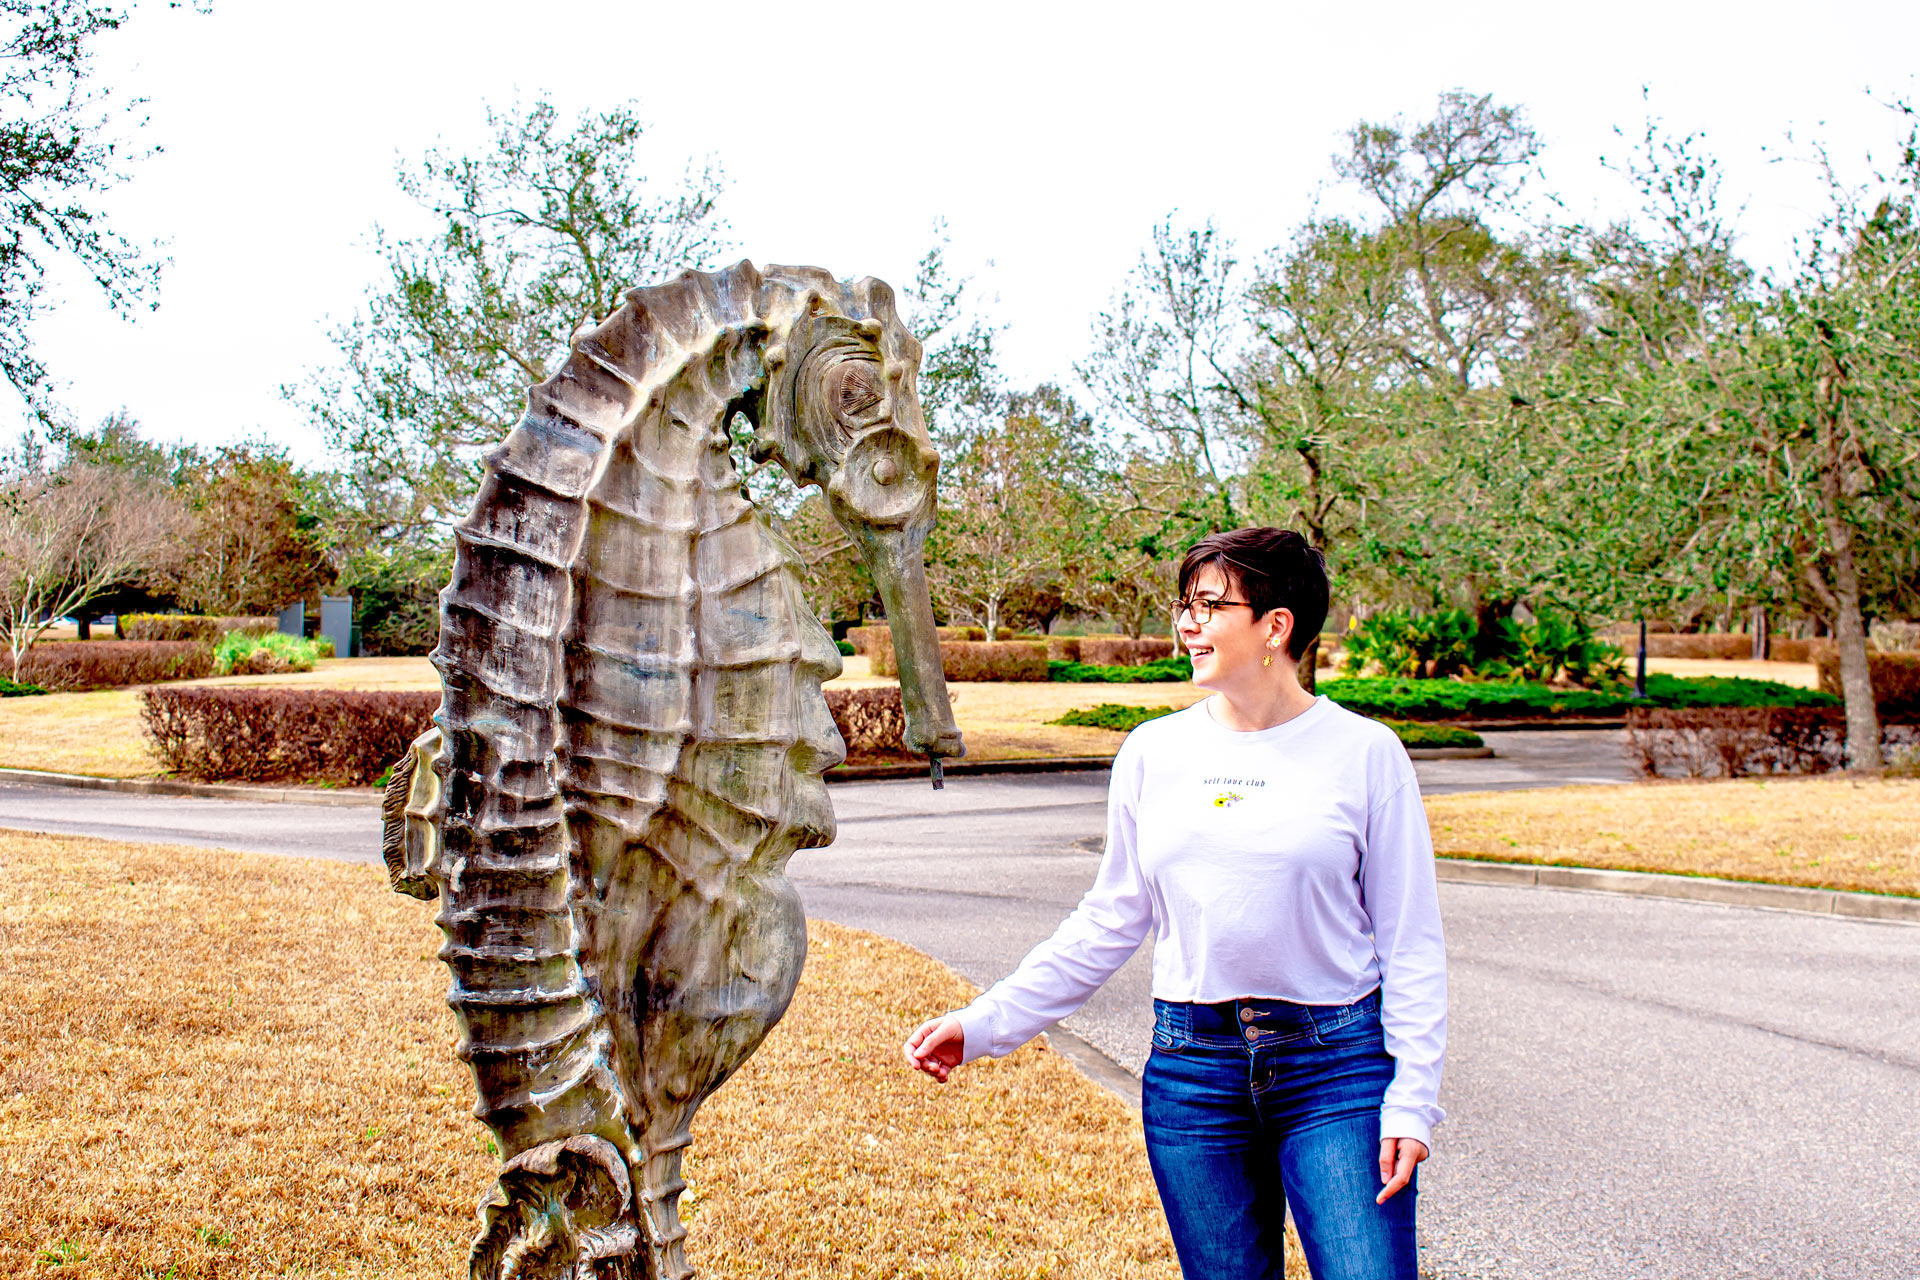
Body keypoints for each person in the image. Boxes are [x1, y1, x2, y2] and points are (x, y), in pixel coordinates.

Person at [902, 527, 1447, 1280]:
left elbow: (1410, 942)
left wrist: (1413, 1100)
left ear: (1275, 626)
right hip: (1194, 1071)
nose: (1186, 623)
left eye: (1209, 605)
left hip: (1337, 1070)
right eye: (1184, 604)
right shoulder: (1154, 752)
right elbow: (1109, 919)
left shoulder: (1365, 753)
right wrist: (986, 1022)